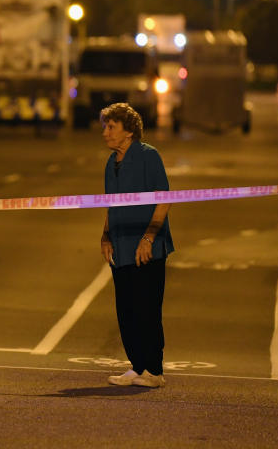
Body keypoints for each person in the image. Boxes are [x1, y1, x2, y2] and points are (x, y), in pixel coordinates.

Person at [99, 102, 174, 388]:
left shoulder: (148, 157)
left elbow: (163, 199)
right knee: (126, 309)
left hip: (146, 247)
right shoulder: (111, 163)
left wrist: (148, 238)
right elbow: (109, 204)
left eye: (111, 127)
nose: (105, 132)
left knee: (147, 309)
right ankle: (137, 365)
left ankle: (154, 371)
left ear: (129, 132)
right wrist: (106, 236)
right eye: (105, 126)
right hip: (121, 246)